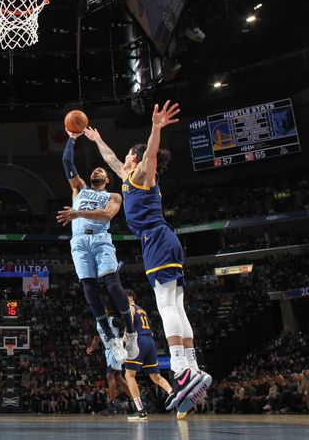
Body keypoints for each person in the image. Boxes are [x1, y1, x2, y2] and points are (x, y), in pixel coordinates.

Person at [84, 100, 211, 414]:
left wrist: (156, 127)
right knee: (176, 303)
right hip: (163, 241)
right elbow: (112, 158)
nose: (125, 155)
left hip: (157, 240)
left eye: (130, 152)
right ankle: (192, 368)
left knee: (166, 303)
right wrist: (97, 139)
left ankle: (181, 369)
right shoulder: (127, 178)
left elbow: (151, 153)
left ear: (136, 158)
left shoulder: (142, 172)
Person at [57, 130, 138, 365]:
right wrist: (72, 137)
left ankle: (130, 332)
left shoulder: (114, 196)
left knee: (113, 286)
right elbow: (66, 161)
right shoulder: (79, 188)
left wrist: (78, 212)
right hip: (79, 242)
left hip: (101, 239)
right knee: (89, 290)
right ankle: (112, 339)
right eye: (95, 170)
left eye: (101, 170)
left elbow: (105, 216)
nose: (96, 171)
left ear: (107, 179)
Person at [123, 289, 175, 421]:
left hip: (138, 340)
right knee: (155, 376)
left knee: (129, 375)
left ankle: (141, 411)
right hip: (150, 342)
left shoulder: (130, 307)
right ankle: (173, 394)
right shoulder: (143, 310)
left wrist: (124, 339)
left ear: (129, 298)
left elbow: (130, 321)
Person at [85, 312, 130, 415]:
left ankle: (112, 405)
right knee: (118, 377)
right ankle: (136, 401)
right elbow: (96, 338)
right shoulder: (97, 323)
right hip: (108, 351)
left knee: (109, 375)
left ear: (107, 312)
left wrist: (121, 340)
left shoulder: (113, 320)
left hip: (116, 348)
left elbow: (125, 326)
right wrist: (92, 348)